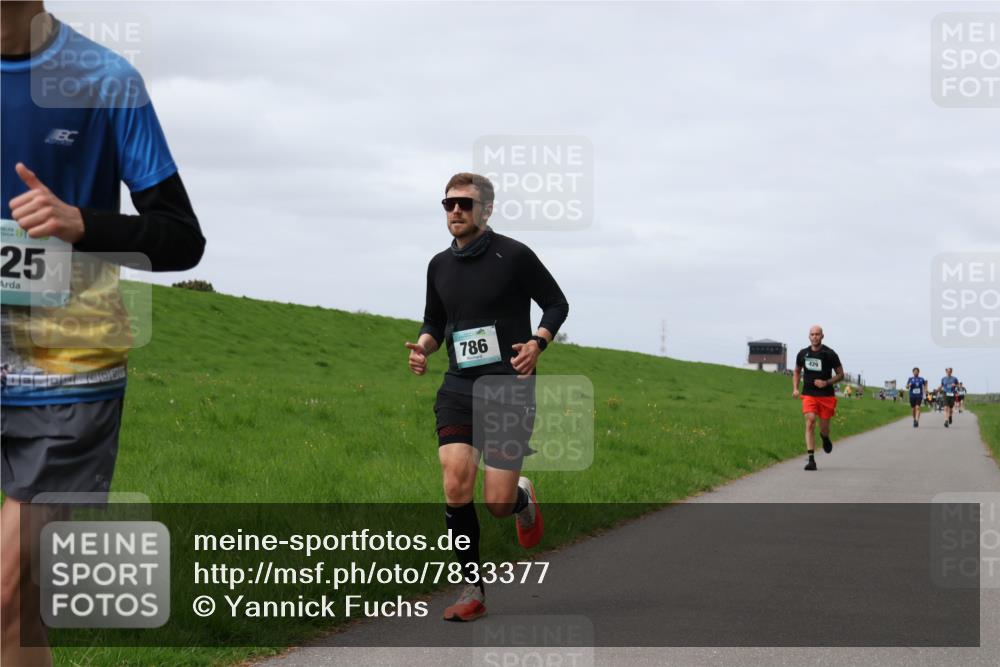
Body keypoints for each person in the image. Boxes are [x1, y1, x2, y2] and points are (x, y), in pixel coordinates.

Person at [1, 4, 205, 664]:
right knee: (19, 611)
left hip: (66, 365)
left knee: (7, 593)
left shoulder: (105, 79)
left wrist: (82, 223)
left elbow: (182, 239)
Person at [405, 173, 568, 622]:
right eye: (448, 204)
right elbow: (435, 321)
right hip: (458, 388)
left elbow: (556, 303)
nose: (455, 210)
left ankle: (520, 499)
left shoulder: (513, 255)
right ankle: (471, 588)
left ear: (487, 209)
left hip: (508, 389)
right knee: (455, 482)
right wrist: (424, 348)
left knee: (496, 503)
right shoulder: (438, 265)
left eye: (464, 203)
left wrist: (537, 342)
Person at [792, 326, 844, 471]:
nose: (814, 337)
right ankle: (811, 460)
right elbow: (797, 371)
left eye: (817, 334)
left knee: (824, 428)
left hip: (826, 396)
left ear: (822, 336)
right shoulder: (803, 353)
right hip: (809, 394)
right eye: (812, 334)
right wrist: (795, 388)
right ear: (809, 336)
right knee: (810, 421)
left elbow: (841, 374)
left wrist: (826, 382)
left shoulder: (830, 354)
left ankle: (825, 437)